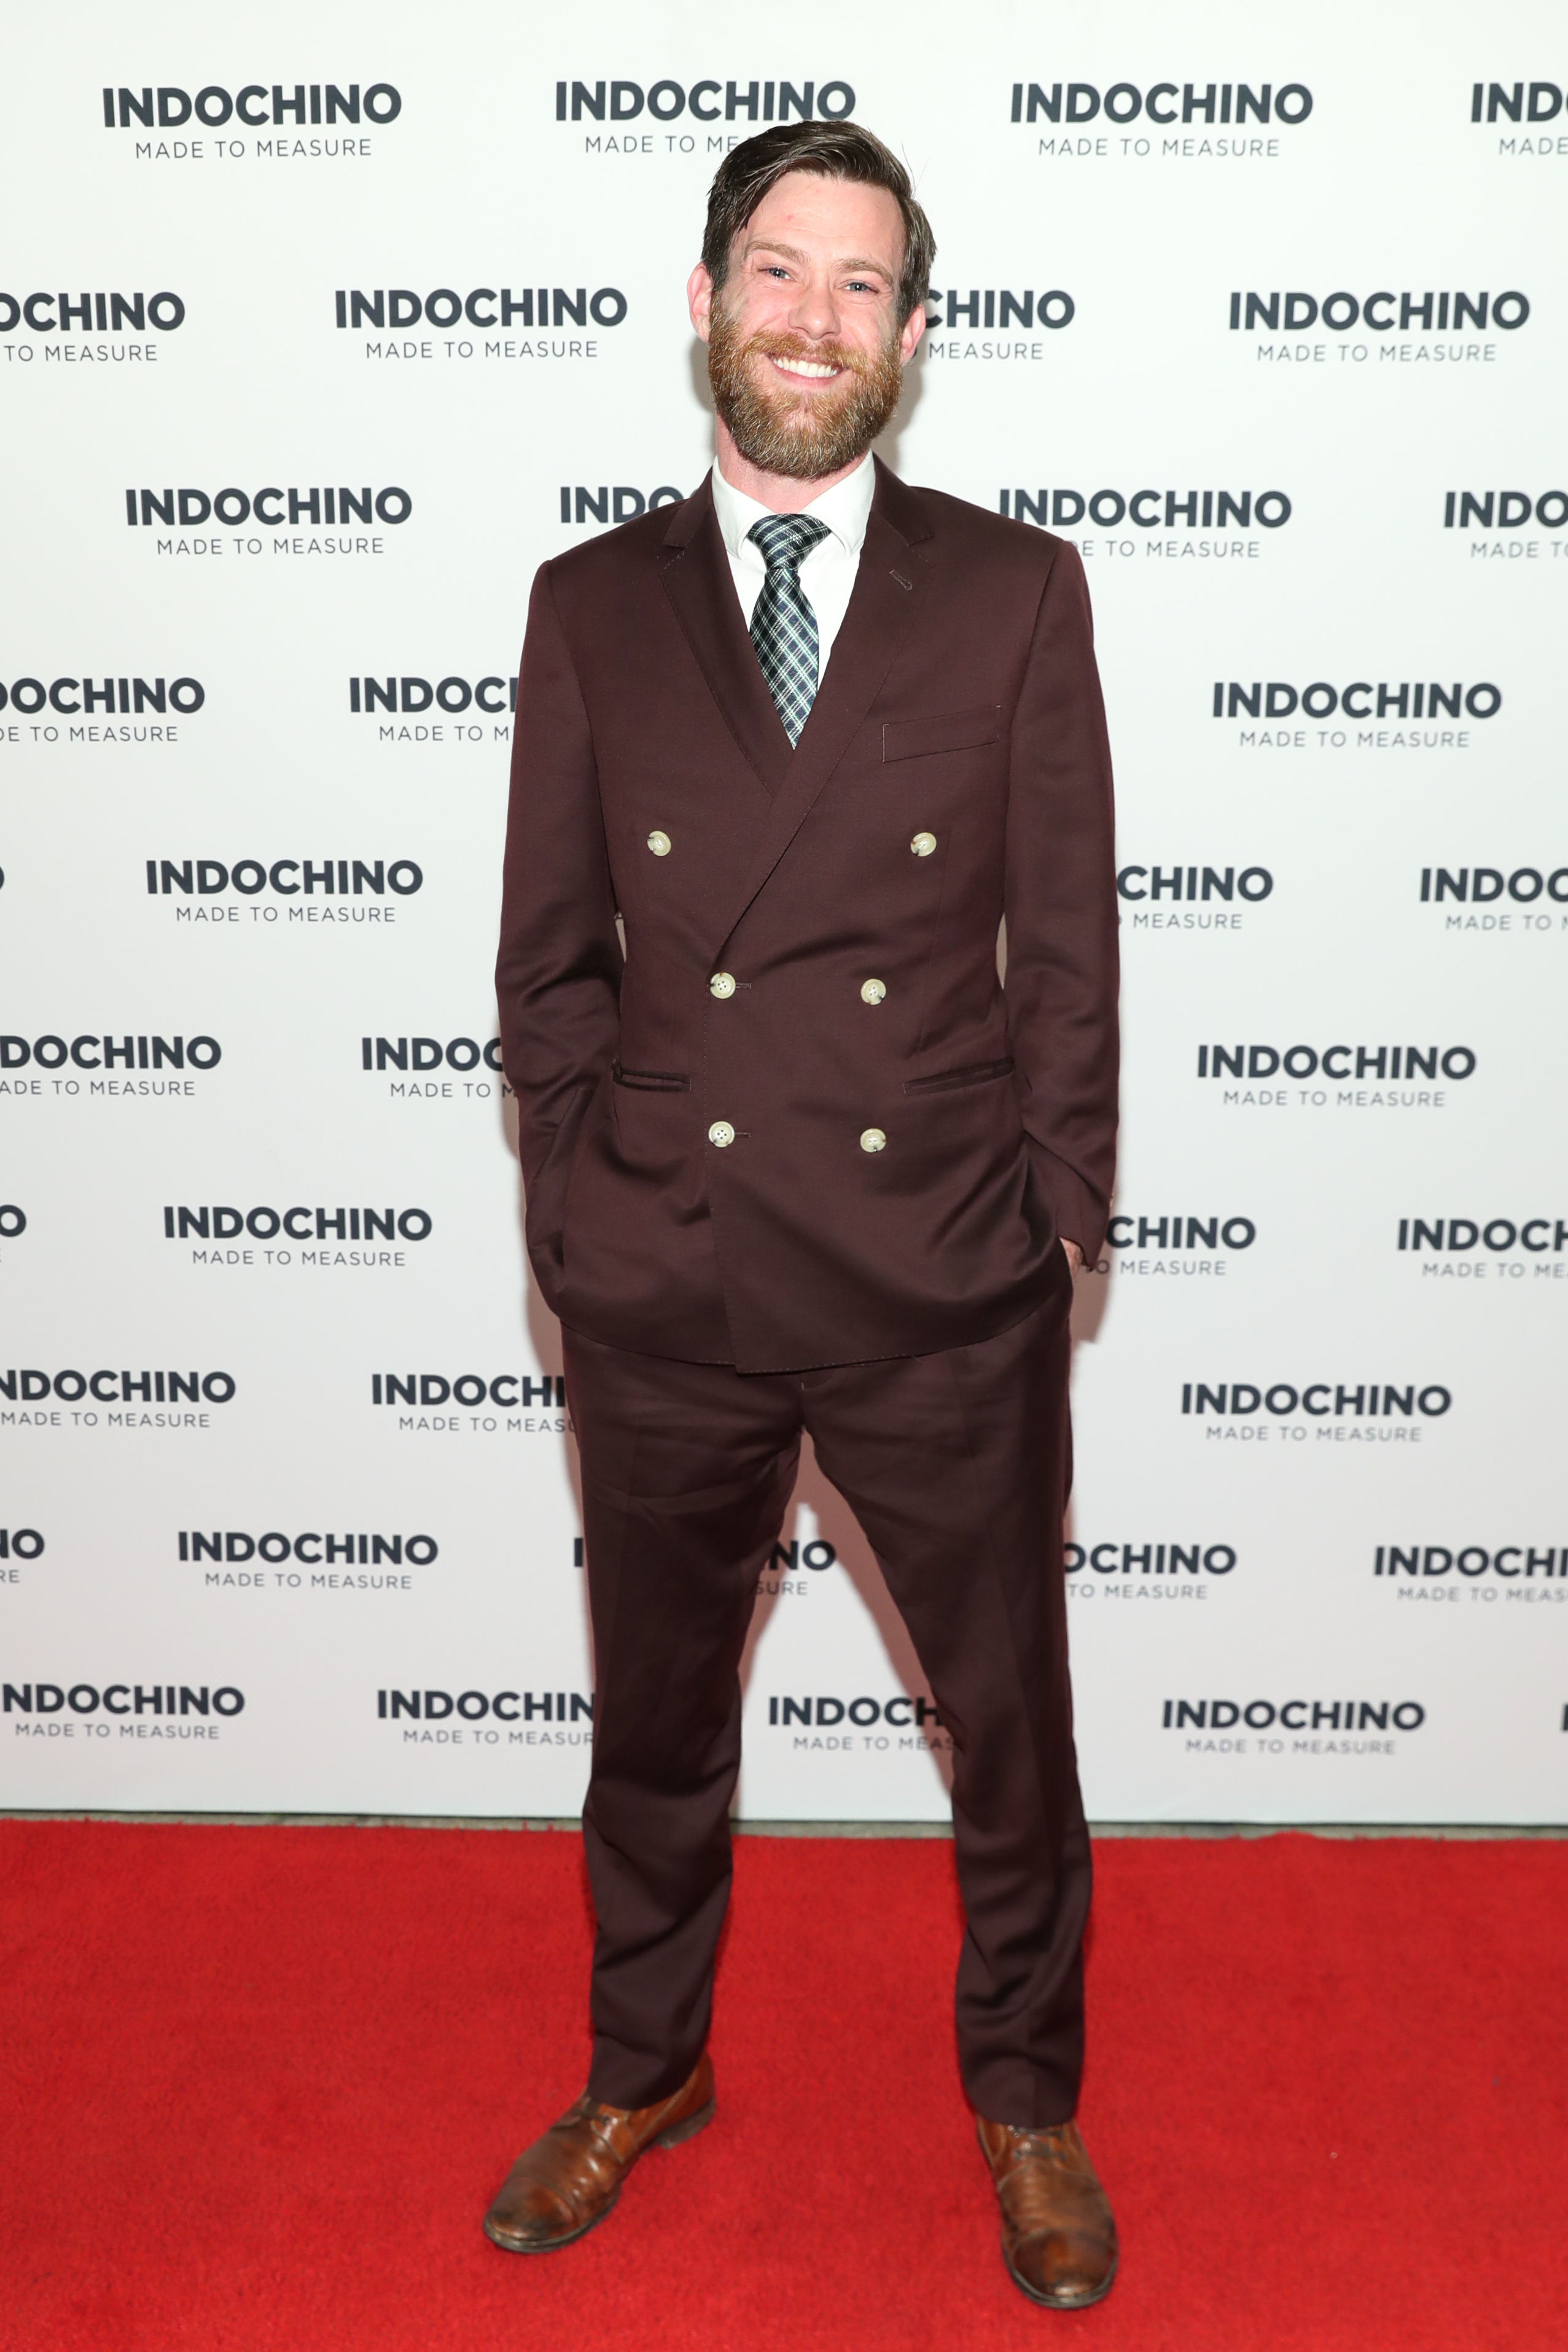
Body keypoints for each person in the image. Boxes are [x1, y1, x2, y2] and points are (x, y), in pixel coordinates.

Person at [488, 119, 1119, 2311]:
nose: (813, 320)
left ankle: (1024, 2099)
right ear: (704, 298)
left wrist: (1057, 1213)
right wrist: (577, 1206)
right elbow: (548, 962)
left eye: (861, 284)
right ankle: (641, 2066)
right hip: (665, 1269)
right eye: (778, 271)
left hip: (937, 1271)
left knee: (1005, 1724)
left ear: (911, 333)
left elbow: (1067, 945)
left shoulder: (1015, 590)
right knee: (654, 1718)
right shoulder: (588, 604)